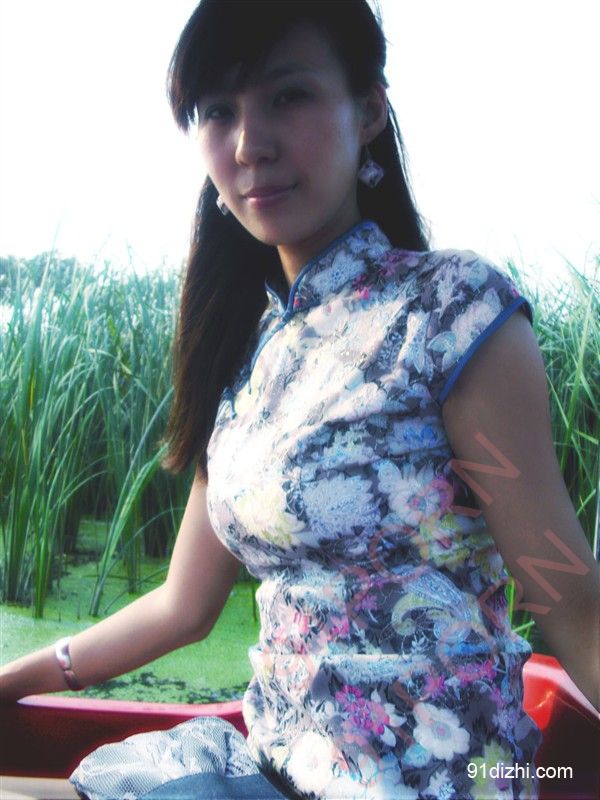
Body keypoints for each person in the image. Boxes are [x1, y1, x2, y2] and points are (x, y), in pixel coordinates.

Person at [1, 1, 598, 798]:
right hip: (273, 764)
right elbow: (182, 605)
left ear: (369, 112)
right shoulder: (245, 358)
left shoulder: (451, 314)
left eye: (289, 96)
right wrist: (15, 679)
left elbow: (567, 596)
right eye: (219, 111)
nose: (251, 143)